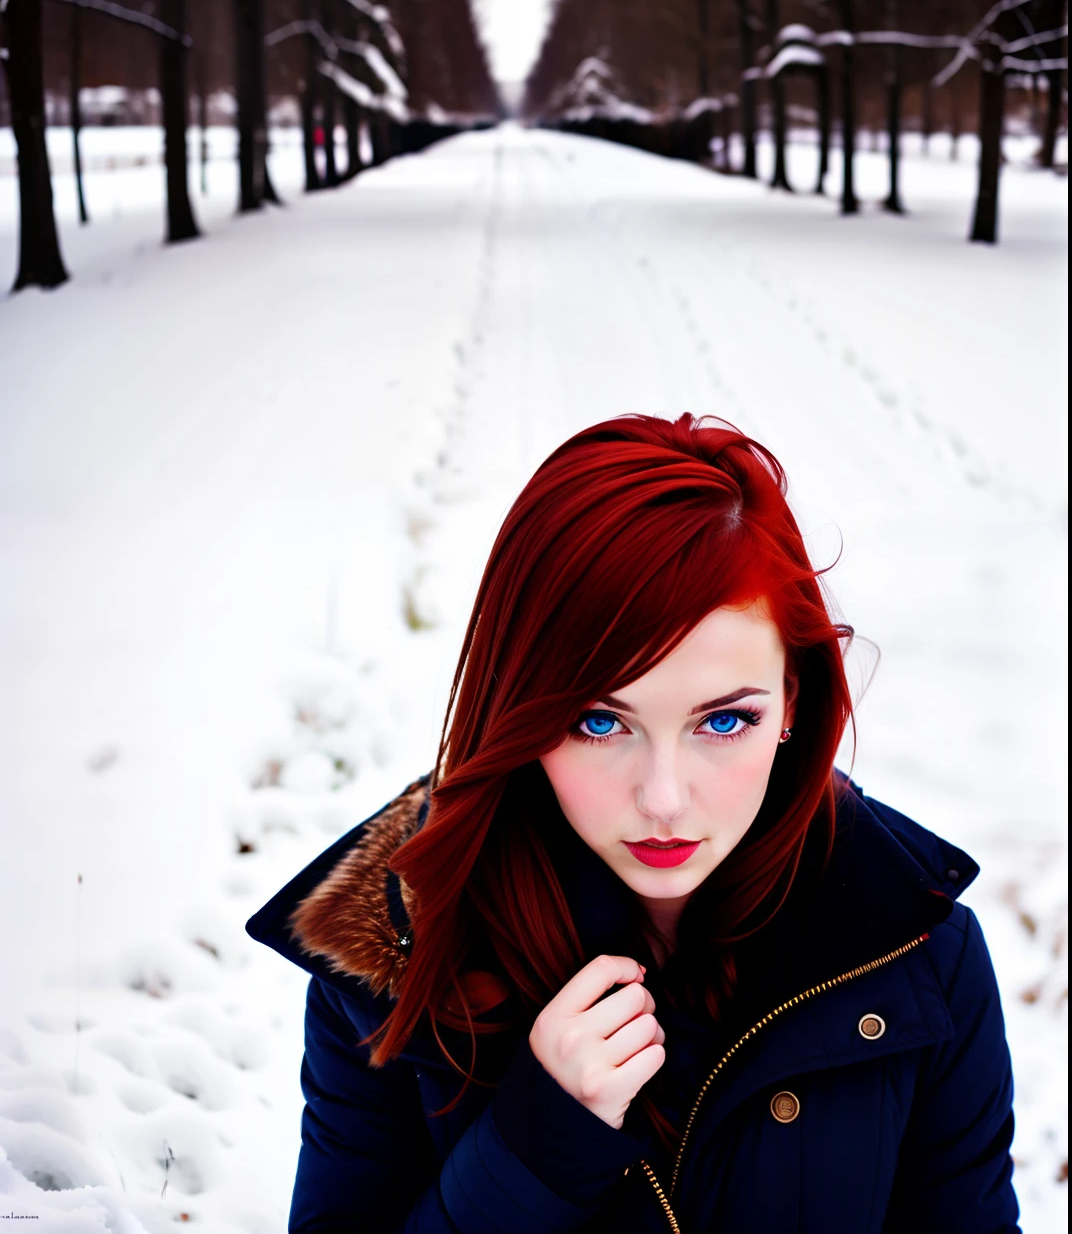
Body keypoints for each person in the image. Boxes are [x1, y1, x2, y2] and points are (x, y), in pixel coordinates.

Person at [247, 413, 1020, 1233]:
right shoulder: (397, 955)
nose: (663, 800)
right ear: (520, 710)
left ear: (793, 698)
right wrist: (530, 1152)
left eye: (723, 723)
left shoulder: (921, 960)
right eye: (599, 723)